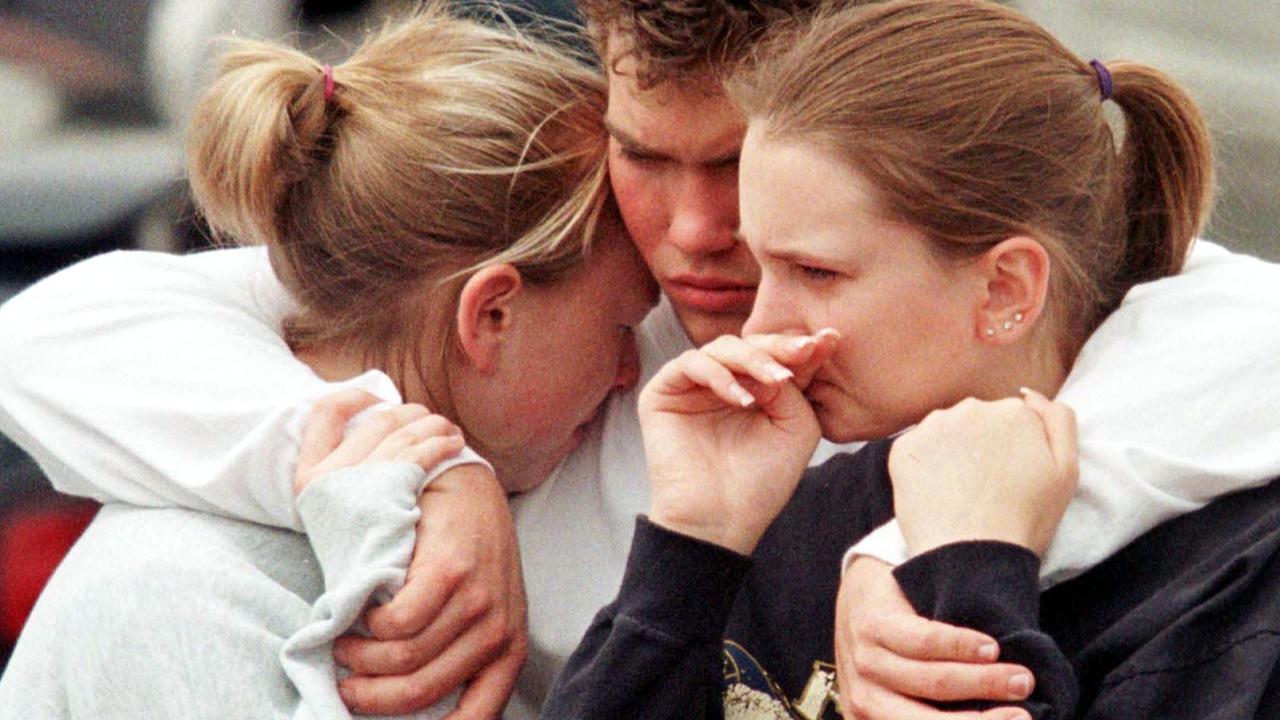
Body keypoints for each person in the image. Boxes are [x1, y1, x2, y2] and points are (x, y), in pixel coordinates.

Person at [3, 0, 1280, 717]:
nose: (691, 235)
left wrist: (903, 544)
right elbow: (57, 332)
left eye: (732, 165)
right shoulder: (570, 299)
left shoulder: (1090, 328)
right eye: (642, 154)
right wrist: (425, 470)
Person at [542, 1, 1280, 718]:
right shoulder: (809, 511)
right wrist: (690, 549)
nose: (762, 324)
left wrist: (969, 575)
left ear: (1005, 289)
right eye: (766, 269)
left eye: (818, 274)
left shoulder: (1232, 582)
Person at [0, 6, 658, 719]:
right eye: (623, 325)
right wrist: (419, 470)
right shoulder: (172, 595)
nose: (631, 370)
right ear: (490, 315)